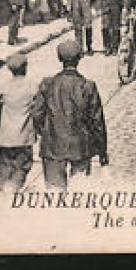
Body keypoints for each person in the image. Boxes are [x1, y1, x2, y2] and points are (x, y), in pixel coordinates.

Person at [32, 38, 108, 188]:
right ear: (79, 58)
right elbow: (97, 122)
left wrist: (47, 131)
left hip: (52, 147)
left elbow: (36, 114)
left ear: (60, 59)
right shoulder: (87, 86)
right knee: (78, 194)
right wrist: (102, 152)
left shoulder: (47, 84)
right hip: (80, 147)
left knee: (54, 196)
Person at [0, 53, 38, 193]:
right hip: (24, 137)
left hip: (6, 137)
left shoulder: (3, 87)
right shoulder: (32, 86)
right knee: (22, 166)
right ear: (25, 67)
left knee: (4, 166)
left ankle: (3, 190)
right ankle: (14, 189)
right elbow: (37, 112)